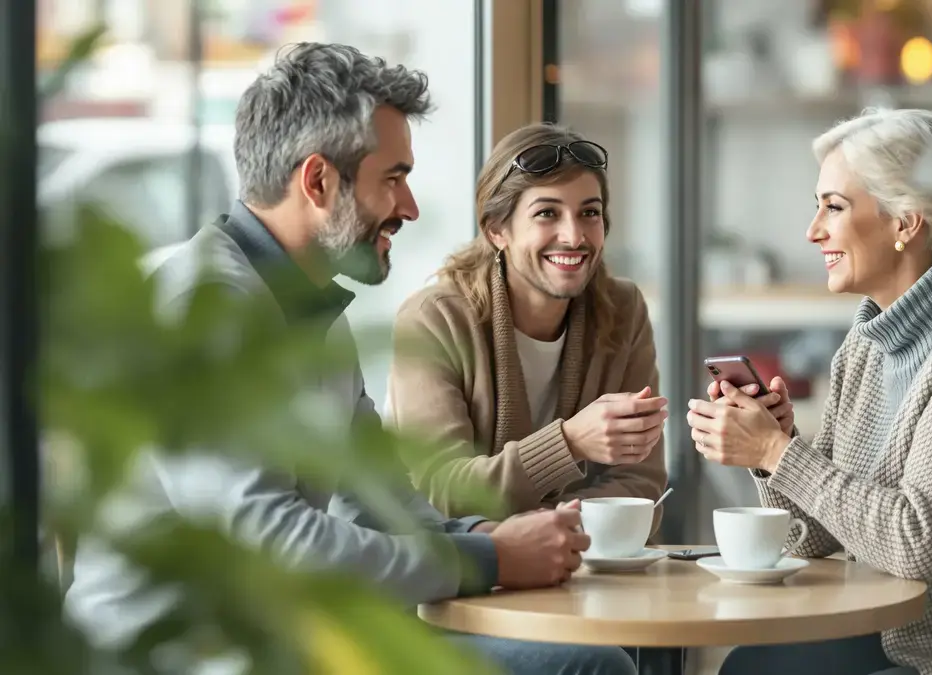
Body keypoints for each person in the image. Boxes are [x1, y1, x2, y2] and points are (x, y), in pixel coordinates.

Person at [63, 43, 636, 675]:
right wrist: (492, 560)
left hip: (289, 638)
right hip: (184, 654)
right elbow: (268, 542)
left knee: (590, 662)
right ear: (317, 181)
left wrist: (481, 538)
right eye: (393, 178)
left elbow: (382, 502)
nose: (411, 207)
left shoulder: (311, 312)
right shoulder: (204, 308)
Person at [686, 109, 932, 675]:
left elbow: (915, 544)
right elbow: (812, 536)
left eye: (834, 207)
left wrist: (779, 453)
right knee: (748, 667)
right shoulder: (870, 338)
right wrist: (777, 450)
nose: (813, 229)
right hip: (895, 633)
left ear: (905, 222)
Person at [385, 123, 668, 526]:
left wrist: (546, 529)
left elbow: (641, 483)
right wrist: (570, 442)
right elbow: (444, 490)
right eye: (547, 214)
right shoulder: (435, 318)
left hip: (589, 567)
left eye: (589, 212)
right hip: (459, 575)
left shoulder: (623, 310)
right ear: (497, 230)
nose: (573, 236)